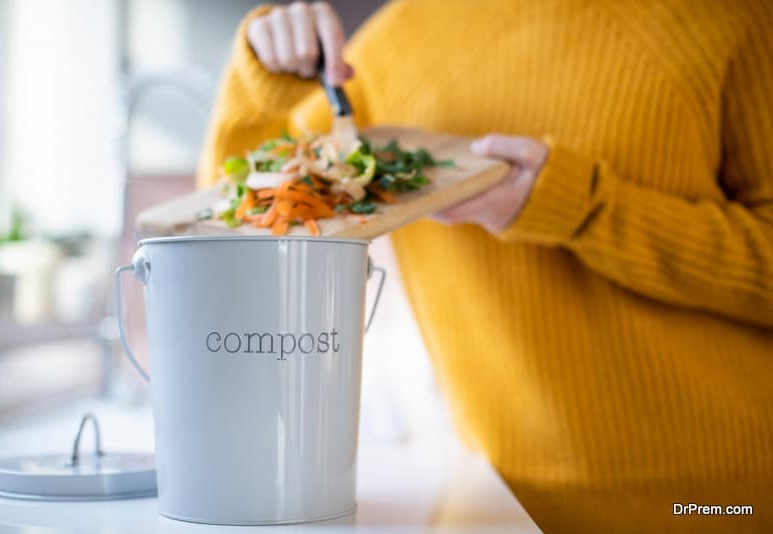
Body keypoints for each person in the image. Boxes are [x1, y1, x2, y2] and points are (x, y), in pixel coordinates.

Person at [198, 1, 773, 531]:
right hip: (499, 503)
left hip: (726, 499)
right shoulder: (376, 58)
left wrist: (581, 208)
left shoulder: (734, 20)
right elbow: (231, 244)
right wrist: (260, 81)